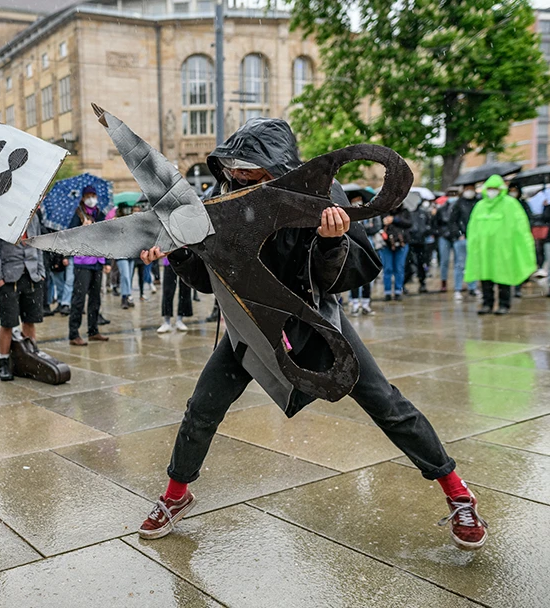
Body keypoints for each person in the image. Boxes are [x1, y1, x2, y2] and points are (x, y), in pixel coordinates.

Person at [136, 118, 488, 552]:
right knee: (202, 407)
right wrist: (178, 252)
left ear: (278, 167)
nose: (240, 176)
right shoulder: (217, 199)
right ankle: (175, 495)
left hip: (315, 319)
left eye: (251, 168)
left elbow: (336, 278)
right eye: (233, 167)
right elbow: (208, 281)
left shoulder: (319, 194)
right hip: (251, 321)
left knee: (387, 404)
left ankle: (457, 491)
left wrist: (330, 241)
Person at [464, 175, 536, 315]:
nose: (492, 191)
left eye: (494, 189)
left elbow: (520, 227)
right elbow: (472, 228)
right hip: (484, 249)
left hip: (503, 249)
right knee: (485, 277)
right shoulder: (480, 206)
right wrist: (473, 244)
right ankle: (487, 304)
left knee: (503, 276)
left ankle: (504, 304)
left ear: (500, 189)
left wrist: (520, 244)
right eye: (489, 188)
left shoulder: (510, 204)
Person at [0, 211, 45, 380]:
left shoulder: (33, 216)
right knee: (8, 323)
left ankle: (30, 358)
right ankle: (3, 363)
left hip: (32, 276)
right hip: (9, 277)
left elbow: (38, 245)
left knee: (30, 321)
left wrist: (40, 272)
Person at [68, 185, 111, 346]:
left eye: (94, 195)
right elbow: (69, 235)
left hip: (98, 261)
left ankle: (93, 331)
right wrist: (81, 228)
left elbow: (106, 238)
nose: (92, 198)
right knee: (78, 299)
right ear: (83, 197)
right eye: (89, 196)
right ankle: (73, 333)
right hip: (83, 262)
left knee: (95, 299)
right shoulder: (78, 213)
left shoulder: (100, 214)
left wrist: (107, 261)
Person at [347, 192, 380, 315]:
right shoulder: (348, 215)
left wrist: (362, 229)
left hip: (367, 248)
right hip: (353, 249)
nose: (357, 202)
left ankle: (366, 304)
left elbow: (376, 227)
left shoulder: (368, 214)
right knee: (354, 277)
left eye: (359, 199)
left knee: (367, 277)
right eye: (355, 199)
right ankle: (355, 304)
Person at [448, 183, 481, 300]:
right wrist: (458, 234)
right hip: (462, 238)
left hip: (474, 238)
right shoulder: (458, 204)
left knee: (474, 263)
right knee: (460, 264)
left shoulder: (478, 203)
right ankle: (458, 288)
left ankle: (473, 287)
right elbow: (452, 221)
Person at [379, 203, 411, 301]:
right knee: (387, 268)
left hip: (401, 243)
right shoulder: (382, 211)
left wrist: (395, 219)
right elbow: (377, 226)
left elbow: (409, 223)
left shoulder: (404, 211)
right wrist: (384, 222)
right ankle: (387, 292)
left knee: (399, 268)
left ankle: (398, 290)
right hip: (386, 244)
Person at [157, 257, 192, 333]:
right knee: (167, 289)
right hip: (169, 257)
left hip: (185, 257)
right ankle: (167, 320)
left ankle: (180, 319)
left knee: (185, 288)